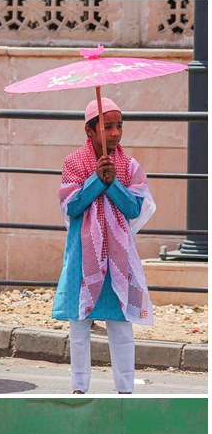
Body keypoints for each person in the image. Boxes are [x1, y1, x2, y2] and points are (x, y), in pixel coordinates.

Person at [53, 99, 154, 394]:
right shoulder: (73, 163)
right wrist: (96, 181)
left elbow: (134, 209)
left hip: (118, 257)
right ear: (89, 130)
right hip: (83, 256)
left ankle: (125, 389)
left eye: (118, 126)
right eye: (107, 126)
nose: (115, 133)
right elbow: (71, 206)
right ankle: (79, 388)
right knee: (80, 325)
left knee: (121, 325)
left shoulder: (129, 166)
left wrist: (113, 183)